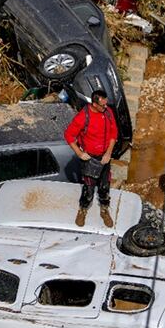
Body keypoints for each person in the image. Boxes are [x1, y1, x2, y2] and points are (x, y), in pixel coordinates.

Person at [63, 89, 118, 228]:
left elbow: (113, 133)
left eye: (106, 104)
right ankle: (83, 210)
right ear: (94, 104)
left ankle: (104, 210)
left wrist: (108, 153)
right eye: (102, 105)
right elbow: (69, 136)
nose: (105, 107)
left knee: (105, 187)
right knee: (89, 189)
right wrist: (80, 154)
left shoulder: (108, 113)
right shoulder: (83, 117)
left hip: (104, 157)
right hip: (90, 159)